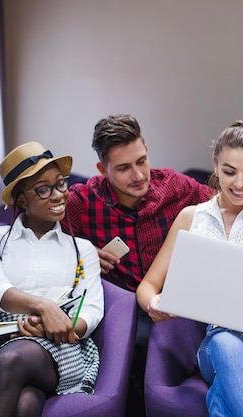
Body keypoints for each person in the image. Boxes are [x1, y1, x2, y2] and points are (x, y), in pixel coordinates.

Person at [136, 119, 243, 416]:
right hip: (218, 347)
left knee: (223, 400)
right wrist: (153, 302)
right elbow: (147, 286)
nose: (239, 183)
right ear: (215, 166)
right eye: (229, 172)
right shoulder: (192, 218)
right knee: (226, 343)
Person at [64, 114, 211, 415]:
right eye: (123, 168)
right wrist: (82, 250)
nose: (138, 175)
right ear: (102, 169)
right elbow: (31, 236)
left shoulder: (175, 186)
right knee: (136, 344)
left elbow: (226, 206)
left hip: (175, 301)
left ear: (146, 149)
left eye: (141, 161)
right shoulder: (81, 201)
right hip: (119, 310)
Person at [0, 142, 104, 417]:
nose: (58, 196)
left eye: (61, 184)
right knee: (26, 402)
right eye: (44, 189)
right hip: (0, 341)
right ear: (21, 200)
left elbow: (91, 310)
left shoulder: (82, 248)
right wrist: (44, 307)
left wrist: (52, 326)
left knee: (11, 361)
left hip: (61, 345)